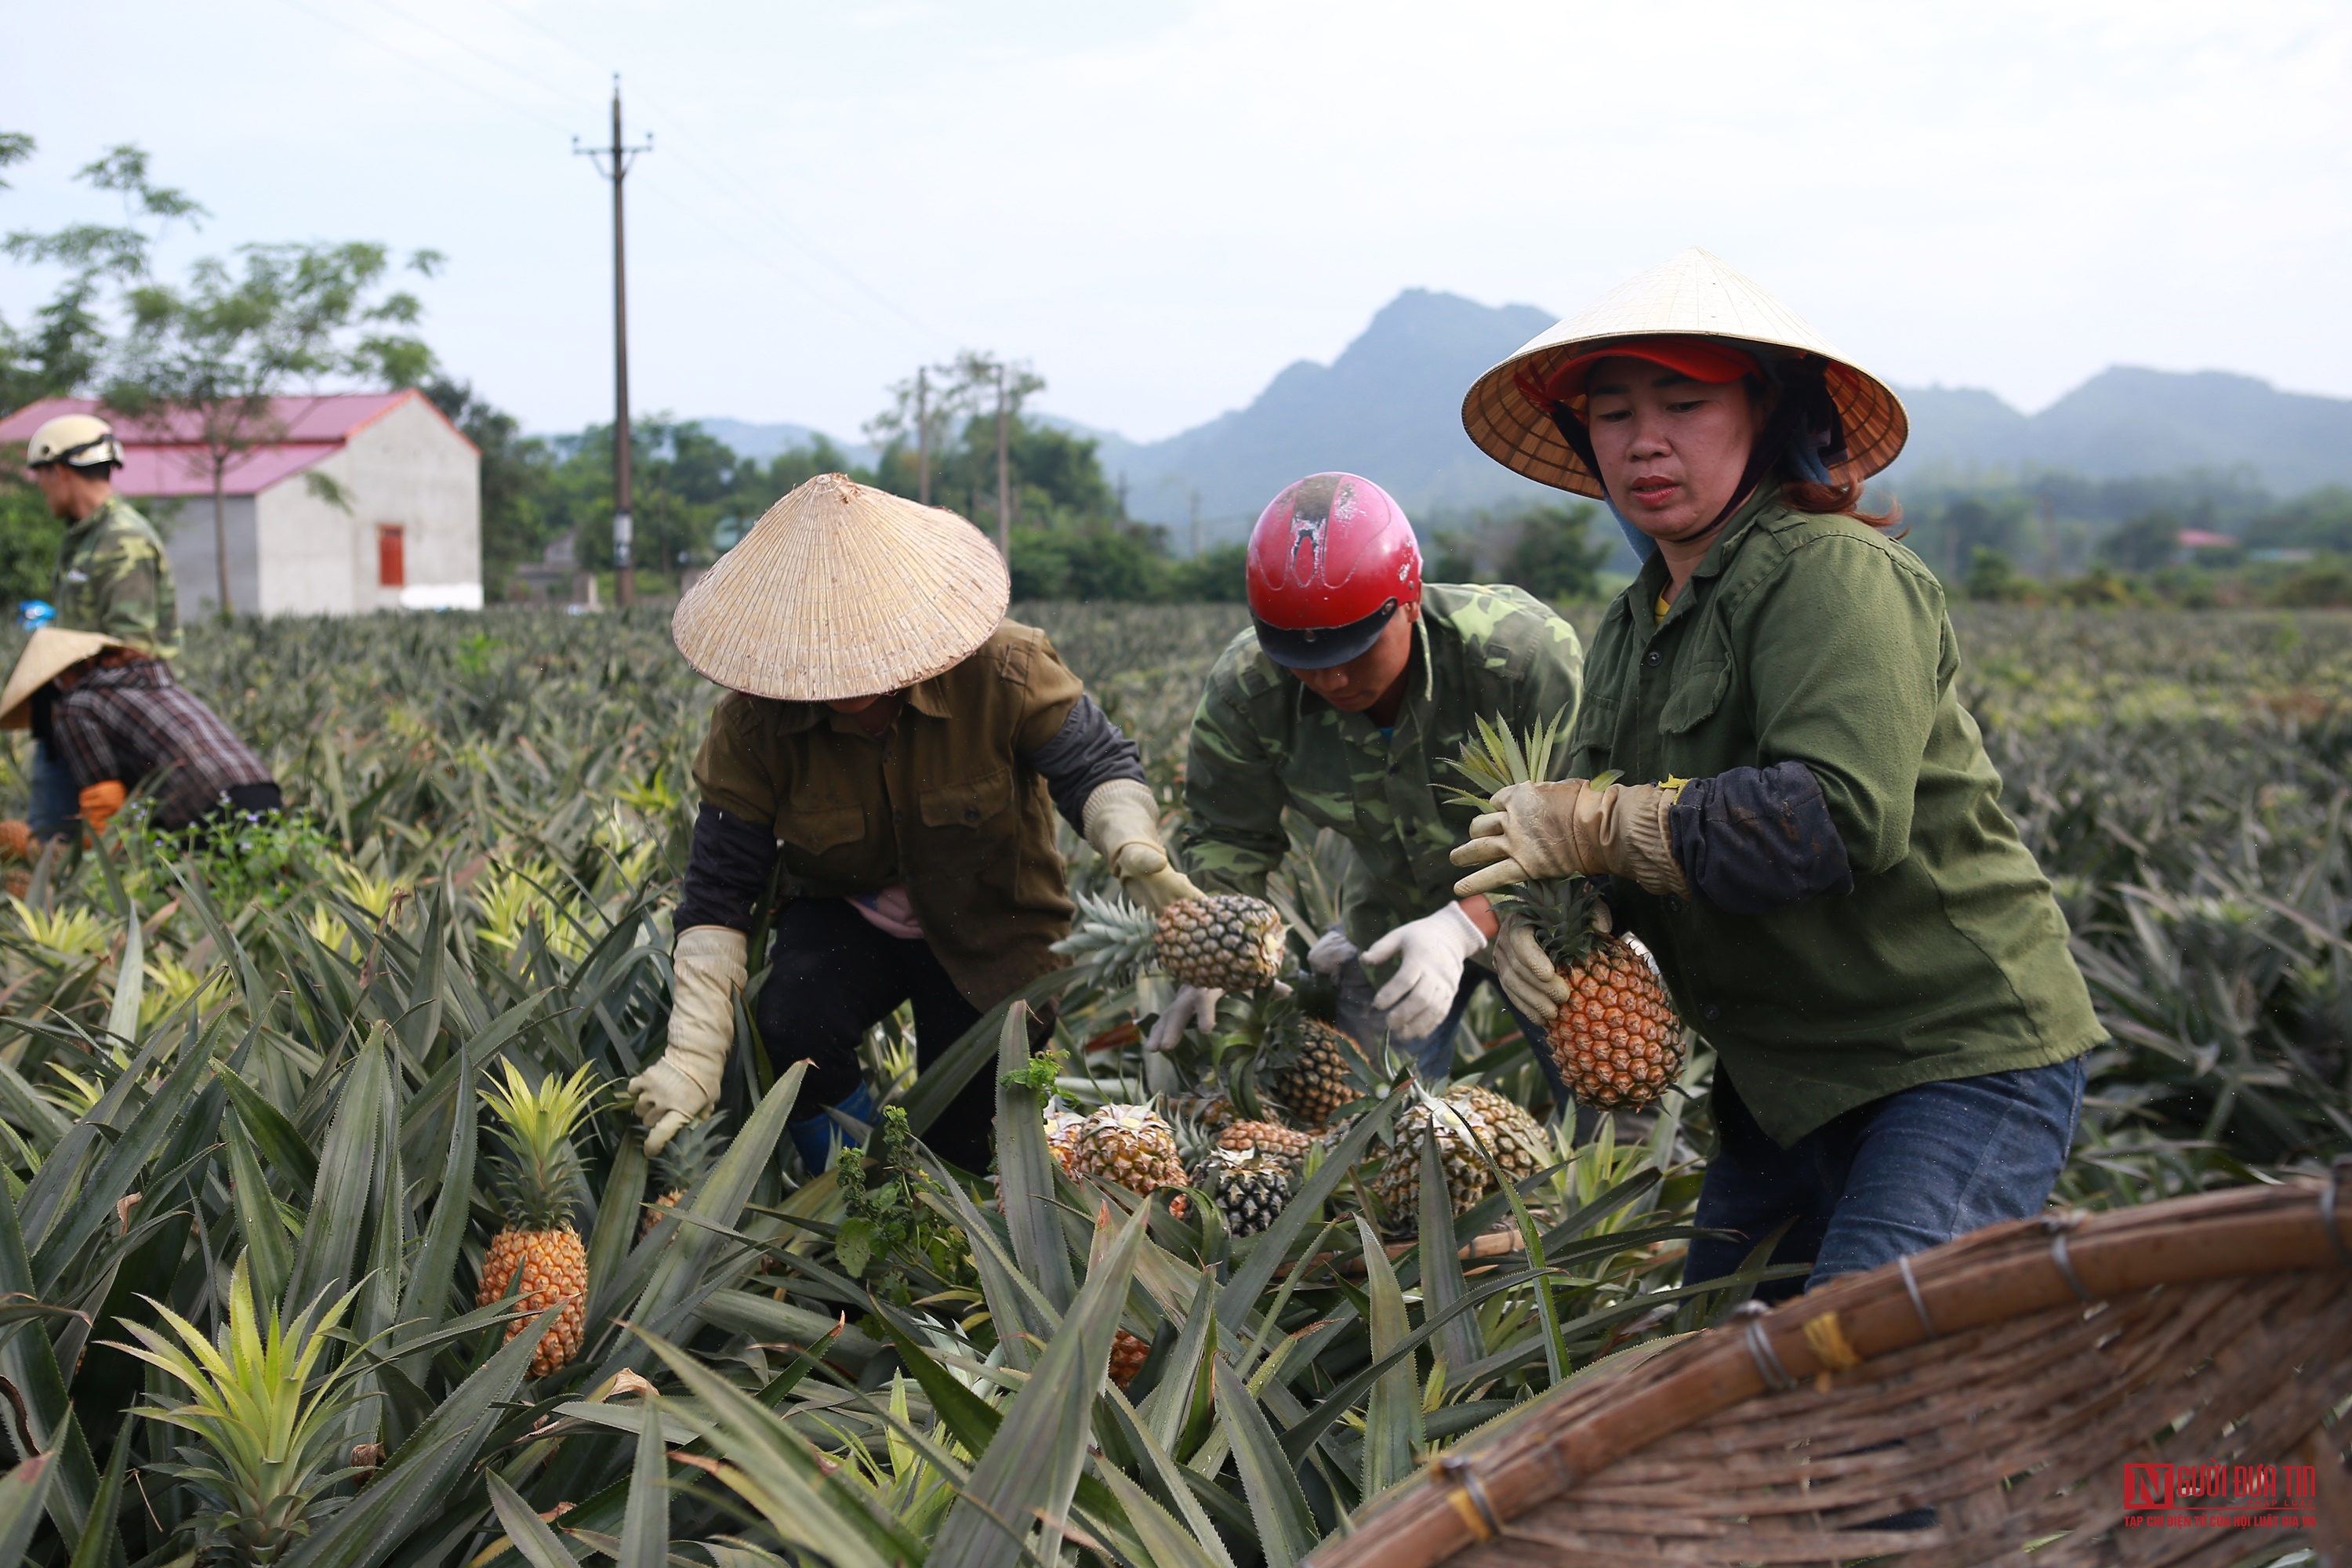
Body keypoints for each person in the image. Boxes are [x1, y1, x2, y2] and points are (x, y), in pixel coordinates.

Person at [1450, 248, 2102, 1300]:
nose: (1644, 439)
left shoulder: (1831, 573)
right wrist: (1539, 919)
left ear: (1766, 412)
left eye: (1684, 401)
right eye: (1612, 412)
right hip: (1783, 1082)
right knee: (1727, 1377)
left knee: (1859, 1374)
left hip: (1950, 1059)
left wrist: (1596, 826)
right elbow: (1593, 847)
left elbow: (1830, 823)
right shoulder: (1629, 630)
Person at [626, 474, 1188, 1174]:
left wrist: (1132, 843)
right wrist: (694, 1053)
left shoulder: (1003, 669)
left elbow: (1093, 763)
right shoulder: (753, 724)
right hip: (848, 918)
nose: (845, 682)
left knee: (972, 1141)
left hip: (995, 918)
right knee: (791, 1027)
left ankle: (949, 1206)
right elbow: (717, 889)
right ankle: (855, 1182)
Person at [1175, 472, 1584, 1093]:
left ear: (1409, 600)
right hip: (1392, 917)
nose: (1333, 679)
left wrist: (1463, 926)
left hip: (1556, 920)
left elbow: (1583, 825)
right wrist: (1217, 951)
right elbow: (1227, 833)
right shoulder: (1249, 690)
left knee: (1620, 1123)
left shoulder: (1521, 657)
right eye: (1305, 660)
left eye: (1354, 650)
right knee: (1373, 1132)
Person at [14, 414, 180, 844]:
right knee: (51, 843)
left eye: (40, 473)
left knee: (82, 849)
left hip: (107, 721)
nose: (39, 484)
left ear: (61, 471)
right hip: (72, 712)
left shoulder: (122, 539)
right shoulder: (84, 537)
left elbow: (133, 647)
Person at [0, 627, 280, 839]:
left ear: (57, 679)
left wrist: (76, 862)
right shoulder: (153, 681)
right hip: (265, 795)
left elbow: (105, 806)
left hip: (208, 810)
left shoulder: (78, 706)